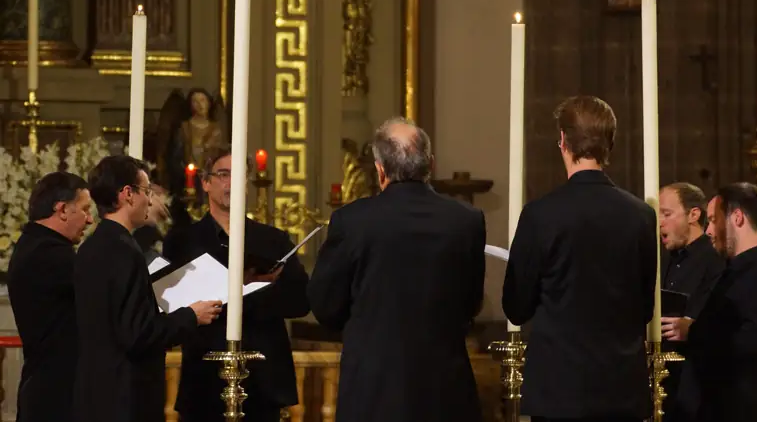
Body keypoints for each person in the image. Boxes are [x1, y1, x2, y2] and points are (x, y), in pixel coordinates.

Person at [307, 118, 486, 422]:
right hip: (444, 387)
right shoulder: (465, 220)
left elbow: (325, 307)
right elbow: (471, 302)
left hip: (373, 388)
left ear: (379, 169)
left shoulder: (352, 221)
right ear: (430, 163)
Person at [502, 96, 657, 422]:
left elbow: (516, 306)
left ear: (562, 141)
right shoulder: (641, 216)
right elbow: (644, 307)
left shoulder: (540, 215)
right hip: (620, 387)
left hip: (559, 389)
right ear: (610, 142)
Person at [162, 146, 310, 422]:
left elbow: (301, 300)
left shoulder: (273, 240)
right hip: (204, 377)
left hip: (263, 379)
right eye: (223, 174)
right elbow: (168, 306)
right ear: (205, 182)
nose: (231, 182)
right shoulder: (182, 242)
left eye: (238, 175)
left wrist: (253, 289)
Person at [72, 155, 223, 422]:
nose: (150, 200)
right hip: (126, 396)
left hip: (96, 390)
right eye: (146, 191)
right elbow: (138, 333)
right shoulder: (123, 251)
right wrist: (191, 315)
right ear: (127, 194)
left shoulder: (91, 247)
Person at [662, 183, 757, 422]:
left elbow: (753, 348)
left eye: (713, 220)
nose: (708, 230)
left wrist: (693, 330)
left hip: (741, 411)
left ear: (737, 218)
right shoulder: (733, 271)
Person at [7, 172, 93, 422]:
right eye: (85, 210)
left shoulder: (35, 245)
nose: (89, 220)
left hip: (47, 387)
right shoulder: (50, 255)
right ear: (63, 209)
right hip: (56, 395)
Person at [658, 182, 725, 421]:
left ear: (694, 215)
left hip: (696, 388)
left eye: (667, 214)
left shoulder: (716, 260)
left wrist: (691, 325)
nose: (660, 223)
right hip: (663, 383)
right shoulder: (664, 260)